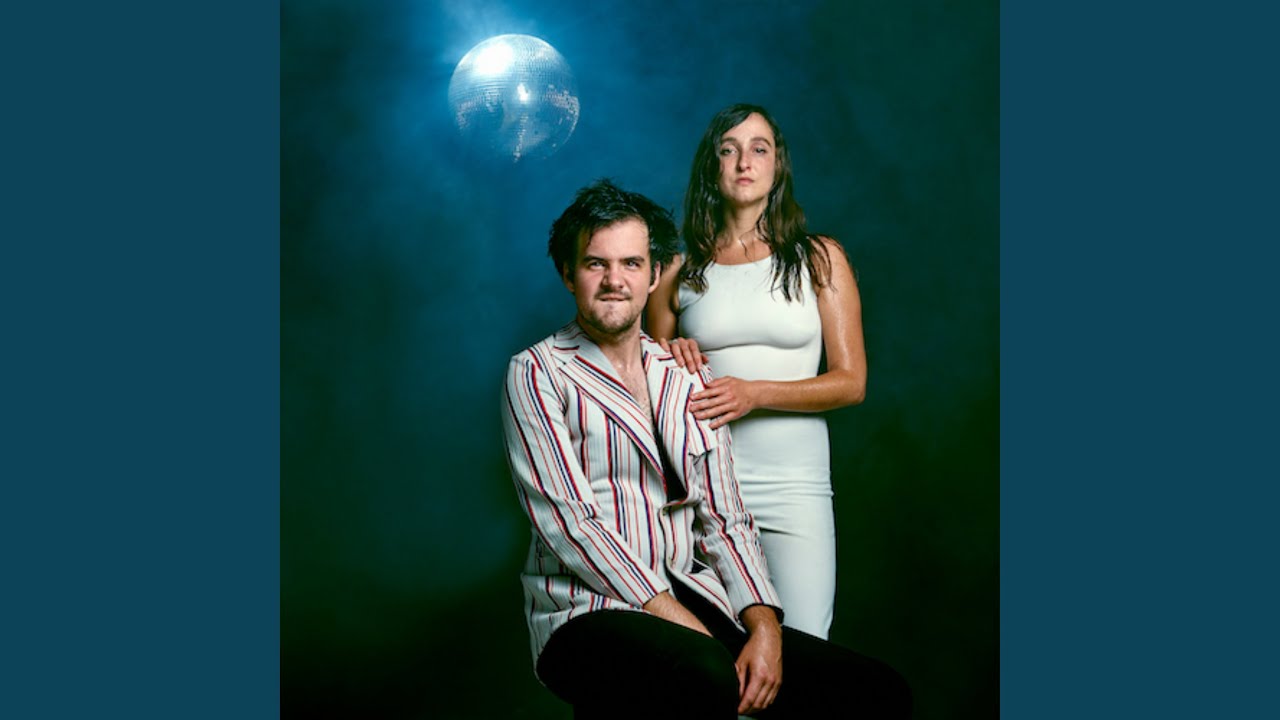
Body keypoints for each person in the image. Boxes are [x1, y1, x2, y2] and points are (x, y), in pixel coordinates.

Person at [502, 179, 907, 719]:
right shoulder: (537, 372)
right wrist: (690, 627)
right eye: (596, 264)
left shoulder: (685, 375)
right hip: (584, 609)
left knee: (876, 691)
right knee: (706, 673)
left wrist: (765, 628)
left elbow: (725, 517)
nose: (615, 281)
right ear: (568, 273)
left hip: (692, 593)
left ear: (653, 275)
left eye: (630, 264)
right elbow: (572, 525)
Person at [646, 103, 868, 640]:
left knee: (805, 644)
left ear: (777, 165)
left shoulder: (819, 258)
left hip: (795, 487)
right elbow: (644, 382)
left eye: (759, 149)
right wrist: (671, 355)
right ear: (712, 167)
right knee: (717, 655)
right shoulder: (678, 269)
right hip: (704, 490)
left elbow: (851, 382)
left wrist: (754, 393)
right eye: (729, 150)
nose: (744, 161)